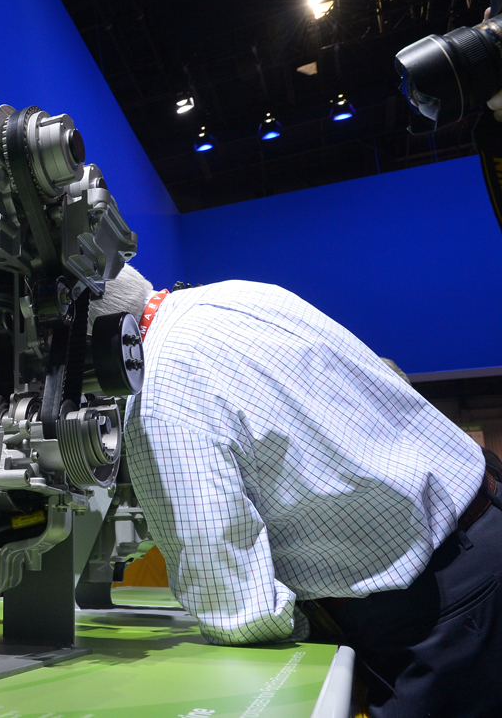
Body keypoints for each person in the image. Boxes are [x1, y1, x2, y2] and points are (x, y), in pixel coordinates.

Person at [89, 266, 502, 718]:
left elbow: (239, 613)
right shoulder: (236, 295)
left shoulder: (159, 402)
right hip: (484, 518)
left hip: (438, 609)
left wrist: (319, 633)